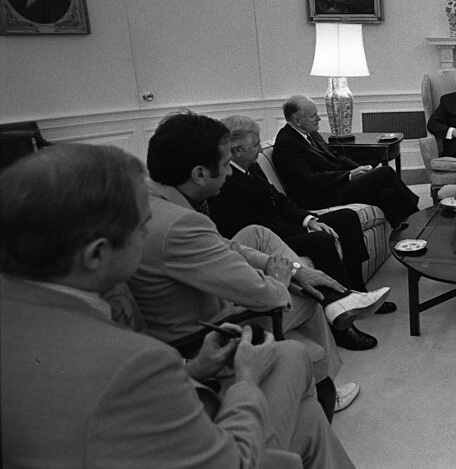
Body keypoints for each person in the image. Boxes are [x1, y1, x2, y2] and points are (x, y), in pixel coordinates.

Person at [0, 144, 354, 468]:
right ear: (96, 254)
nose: (146, 235)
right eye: (141, 228)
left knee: (307, 419)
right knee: (291, 357)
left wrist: (193, 369)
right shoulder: (136, 363)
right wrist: (246, 379)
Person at [131, 111, 388, 416]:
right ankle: (325, 383)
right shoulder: (181, 225)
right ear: (200, 174)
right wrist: (283, 277)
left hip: (188, 302)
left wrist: (294, 269)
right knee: (311, 297)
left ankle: (337, 304)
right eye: (226, 165)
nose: (229, 174)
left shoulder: (153, 197)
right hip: (207, 330)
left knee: (259, 236)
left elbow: (227, 245)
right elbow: (270, 297)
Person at [210, 115, 396, 352]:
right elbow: (253, 223)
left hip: (284, 224)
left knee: (347, 218)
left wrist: (309, 218)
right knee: (321, 240)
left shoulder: (250, 165)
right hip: (266, 237)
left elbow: (279, 200)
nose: (259, 149)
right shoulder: (226, 181)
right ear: (236, 150)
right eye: (255, 144)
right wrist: (305, 228)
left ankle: (358, 291)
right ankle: (342, 328)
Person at [273, 95, 420, 228]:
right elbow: (310, 181)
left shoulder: (310, 133)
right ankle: (418, 214)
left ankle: (409, 234)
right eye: (314, 116)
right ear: (297, 120)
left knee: (386, 194)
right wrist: (348, 175)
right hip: (321, 196)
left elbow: (335, 155)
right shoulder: (287, 143)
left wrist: (361, 169)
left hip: (336, 185)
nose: (318, 119)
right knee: (385, 172)